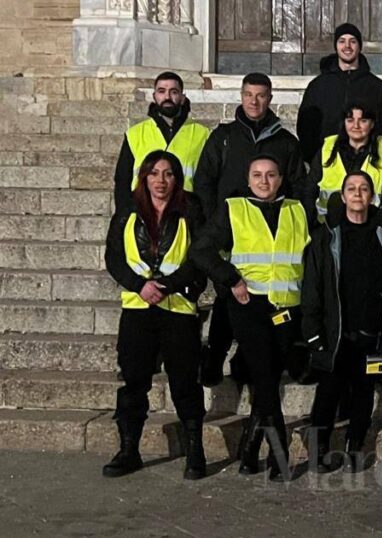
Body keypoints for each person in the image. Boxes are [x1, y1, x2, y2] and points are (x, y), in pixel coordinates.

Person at [191, 155, 311, 481]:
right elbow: (200, 250)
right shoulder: (234, 208)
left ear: (281, 179)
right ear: (248, 180)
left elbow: (309, 260)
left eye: (271, 175)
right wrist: (231, 279)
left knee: (268, 378)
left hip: (287, 307)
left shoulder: (298, 210)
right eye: (257, 175)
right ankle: (279, 452)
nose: (264, 181)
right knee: (265, 377)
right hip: (248, 305)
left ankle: (248, 448)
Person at [192, 72, 308, 388]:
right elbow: (204, 180)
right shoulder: (224, 137)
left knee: (257, 304)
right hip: (230, 226)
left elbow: (297, 184)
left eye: (261, 95)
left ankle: (246, 360)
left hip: (268, 228)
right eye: (248, 95)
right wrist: (212, 219)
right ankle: (214, 358)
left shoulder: (285, 142)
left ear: (270, 99)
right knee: (227, 296)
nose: (254, 101)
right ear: (240, 97)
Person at [102, 151, 207, 480]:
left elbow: (199, 255)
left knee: (185, 382)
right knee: (134, 381)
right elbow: (114, 257)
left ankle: (195, 450)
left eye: (168, 174)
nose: (161, 180)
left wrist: (168, 285)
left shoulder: (191, 210)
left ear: (177, 178)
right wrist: (138, 285)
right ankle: (129, 449)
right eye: (154, 173)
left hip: (178, 308)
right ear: (144, 177)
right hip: (138, 308)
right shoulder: (127, 212)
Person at [301, 171, 382, 474]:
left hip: (371, 331)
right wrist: (313, 332)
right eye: (351, 189)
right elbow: (313, 286)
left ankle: (355, 447)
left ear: (372, 196)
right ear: (342, 197)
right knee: (328, 394)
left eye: (364, 188)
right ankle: (318, 451)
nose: (357, 194)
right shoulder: (326, 236)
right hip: (336, 333)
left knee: (364, 393)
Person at [296, 23, 382, 163]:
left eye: (353, 41)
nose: (347, 46)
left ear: (360, 46)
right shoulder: (317, 86)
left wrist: (374, 156)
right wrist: (315, 160)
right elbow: (305, 127)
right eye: (342, 41)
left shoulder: (379, 88)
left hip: (367, 164)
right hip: (326, 164)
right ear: (336, 46)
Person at [113, 71, 210, 211]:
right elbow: (122, 181)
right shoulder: (135, 134)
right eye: (161, 91)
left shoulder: (203, 134)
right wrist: (124, 215)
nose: (167, 97)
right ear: (154, 96)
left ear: (182, 97)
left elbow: (208, 182)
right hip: (143, 212)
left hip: (185, 212)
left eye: (174, 92)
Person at [309, 102, 382, 220]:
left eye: (363, 121)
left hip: (371, 229)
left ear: (372, 124)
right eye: (350, 120)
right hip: (329, 228)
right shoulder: (327, 151)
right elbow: (309, 190)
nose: (356, 126)